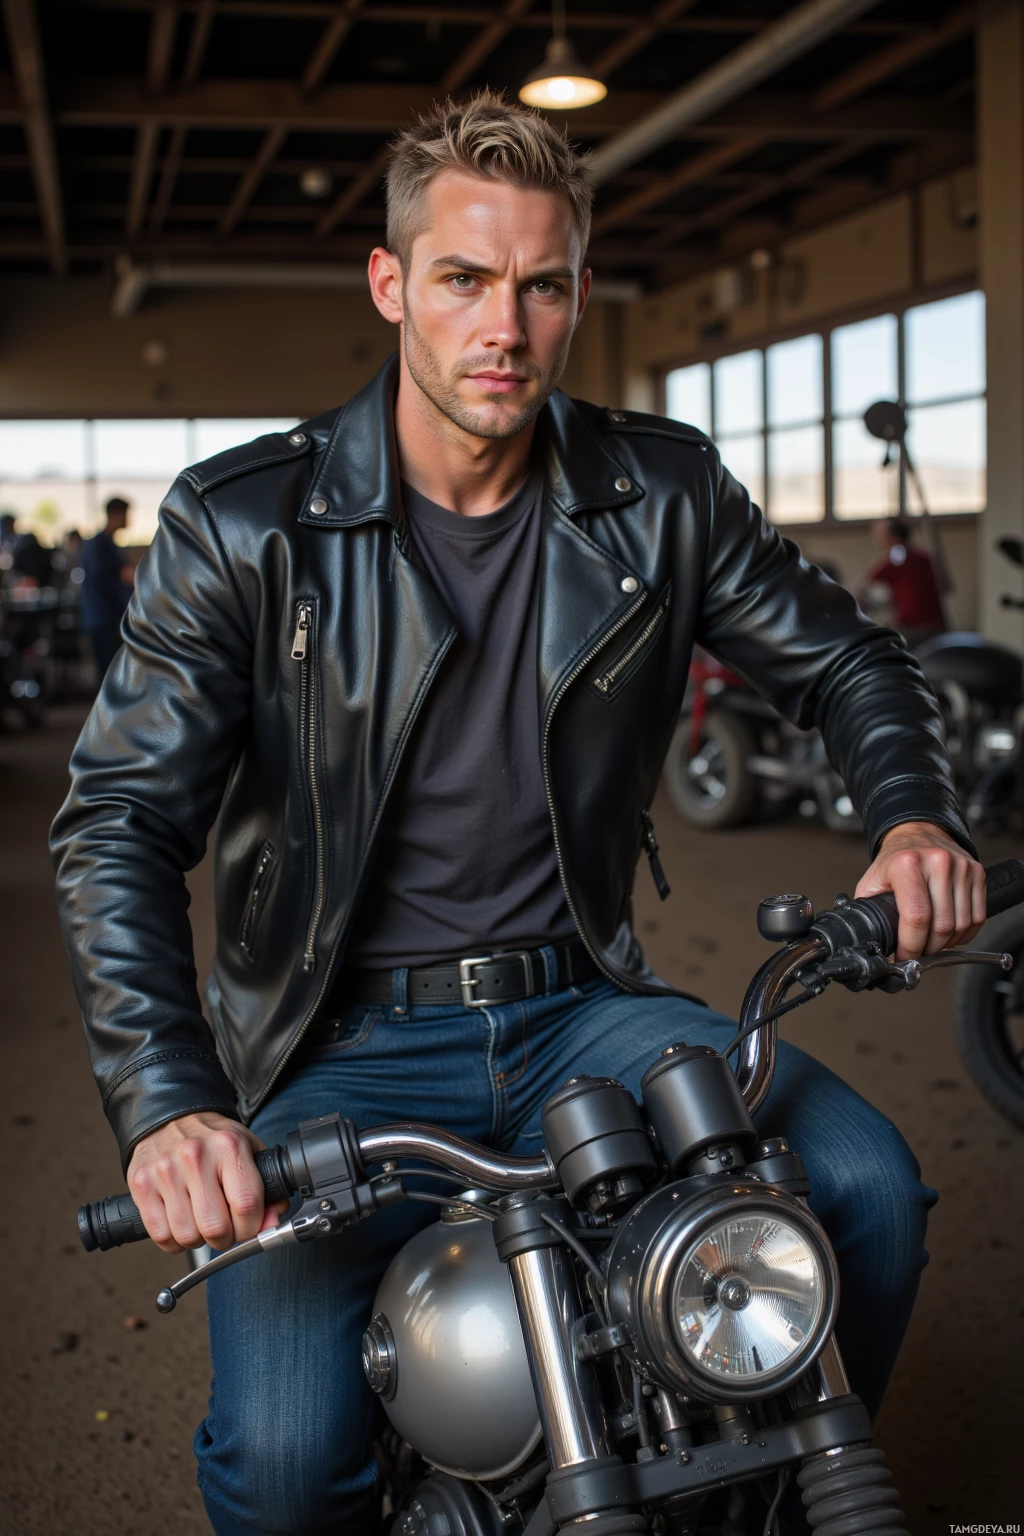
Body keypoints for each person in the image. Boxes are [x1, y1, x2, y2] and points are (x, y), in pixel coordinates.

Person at [51, 94, 985, 1536]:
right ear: (392, 285)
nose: (505, 325)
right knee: (287, 1463)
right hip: (334, 1044)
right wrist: (170, 1101)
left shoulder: (657, 495)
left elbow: (852, 658)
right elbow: (115, 818)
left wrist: (915, 817)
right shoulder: (246, 525)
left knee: (864, 1188)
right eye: (463, 279)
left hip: (580, 1007)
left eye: (540, 286)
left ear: (577, 297)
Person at [862, 515, 947, 649]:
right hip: (935, 623)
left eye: (880, 534)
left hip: (915, 626)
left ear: (893, 536)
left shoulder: (899, 554)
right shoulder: (923, 555)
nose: (876, 538)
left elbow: (870, 580)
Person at [79, 496, 134, 680]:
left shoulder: (109, 544)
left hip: (107, 618)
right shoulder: (99, 545)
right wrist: (125, 579)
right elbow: (101, 580)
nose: (129, 519)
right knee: (109, 674)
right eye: (126, 514)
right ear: (115, 515)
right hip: (103, 619)